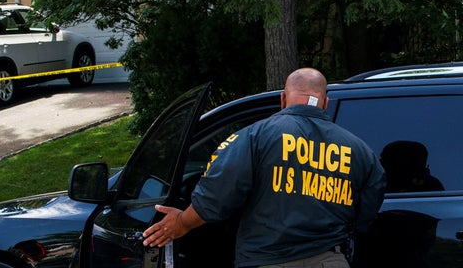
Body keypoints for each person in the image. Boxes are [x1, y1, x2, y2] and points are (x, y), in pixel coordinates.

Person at [142, 68, 386, 268]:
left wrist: (183, 222)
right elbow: (367, 212)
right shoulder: (360, 151)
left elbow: (217, 194)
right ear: (325, 103)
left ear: (283, 99)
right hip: (330, 260)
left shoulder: (254, 137)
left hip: (268, 259)